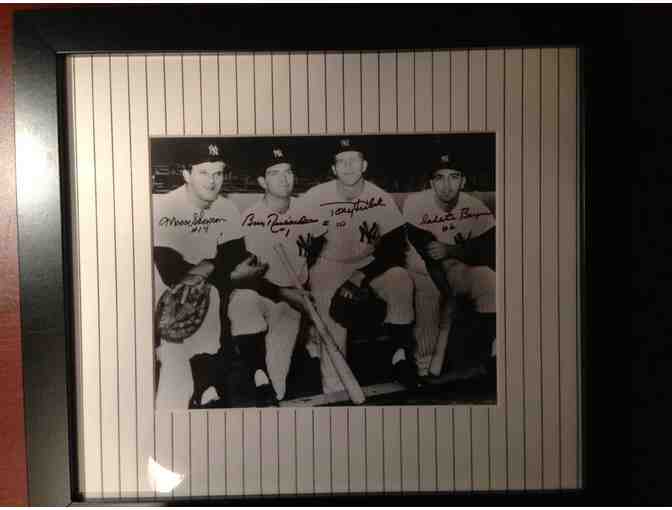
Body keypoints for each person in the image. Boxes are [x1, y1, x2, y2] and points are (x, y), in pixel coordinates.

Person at [152, 142, 268, 410]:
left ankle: (211, 389)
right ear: (186, 174)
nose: (213, 181)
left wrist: (210, 266)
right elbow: (173, 273)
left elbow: (236, 258)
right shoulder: (164, 207)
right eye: (204, 172)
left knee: (225, 296)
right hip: (166, 306)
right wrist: (222, 270)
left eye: (218, 173)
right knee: (174, 394)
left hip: (207, 305)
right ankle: (205, 389)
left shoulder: (226, 208)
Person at [301, 137, 422, 394]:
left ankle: (400, 354)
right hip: (327, 264)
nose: (348, 167)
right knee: (330, 315)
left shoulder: (380, 197)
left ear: (364, 165)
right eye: (341, 162)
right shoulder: (315, 196)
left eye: (353, 161)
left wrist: (362, 274)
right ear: (333, 168)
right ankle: (335, 387)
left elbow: (395, 248)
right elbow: (298, 240)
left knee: (400, 279)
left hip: (367, 264)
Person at [237, 147, 326, 402]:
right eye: (274, 173)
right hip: (262, 293)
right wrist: (283, 293)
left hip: (295, 297)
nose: (284, 179)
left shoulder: (308, 211)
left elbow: (319, 252)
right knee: (244, 303)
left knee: (278, 380)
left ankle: (272, 390)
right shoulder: (249, 218)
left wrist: (310, 288)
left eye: (288, 172)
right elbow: (246, 277)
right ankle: (258, 374)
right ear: (262, 182)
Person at [403, 152, 496, 381]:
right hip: (421, 268)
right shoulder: (416, 203)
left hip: (458, 266)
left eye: (454, 177)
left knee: (489, 280)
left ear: (463, 181)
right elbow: (430, 257)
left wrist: (452, 250)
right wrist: (449, 294)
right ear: (431, 183)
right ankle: (423, 364)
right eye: (440, 177)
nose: (447, 185)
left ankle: (492, 354)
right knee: (429, 291)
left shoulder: (475, 206)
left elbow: (491, 251)